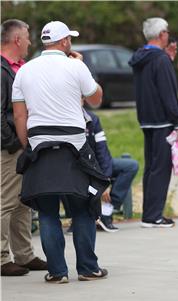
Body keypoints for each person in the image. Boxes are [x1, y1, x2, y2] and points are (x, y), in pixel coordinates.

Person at [12, 20, 109, 283]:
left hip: (40, 146)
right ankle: (88, 268)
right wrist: (82, 67)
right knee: (83, 209)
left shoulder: (24, 71)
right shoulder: (75, 66)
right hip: (75, 147)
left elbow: (20, 116)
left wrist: (28, 145)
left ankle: (57, 272)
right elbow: (96, 99)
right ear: (65, 42)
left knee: (47, 213)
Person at [1, 18, 47, 277]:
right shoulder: (1, 70)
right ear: (17, 40)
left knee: (22, 202)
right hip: (8, 148)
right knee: (5, 202)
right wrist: (13, 142)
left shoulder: (20, 68)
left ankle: (25, 255)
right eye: (28, 36)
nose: (31, 42)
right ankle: (1, 257)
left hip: (22, 145)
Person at [129, 17, 178, 228]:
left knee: (152, 167)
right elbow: (167, 92)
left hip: (146, 119)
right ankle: (154, 216)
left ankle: (149, 213)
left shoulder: (141, 57)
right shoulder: (159, 59)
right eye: (167, 31)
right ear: (162, 34)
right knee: (161, 168)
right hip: (162, 120)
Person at [82, 109, 139, 232]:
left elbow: (103, 151)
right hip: (79, 168)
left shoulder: (92, 119)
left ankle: (108, 209)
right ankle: (78, 218)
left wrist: (105, 179)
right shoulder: (65, 118)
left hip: (97, 164)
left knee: (130, 166)